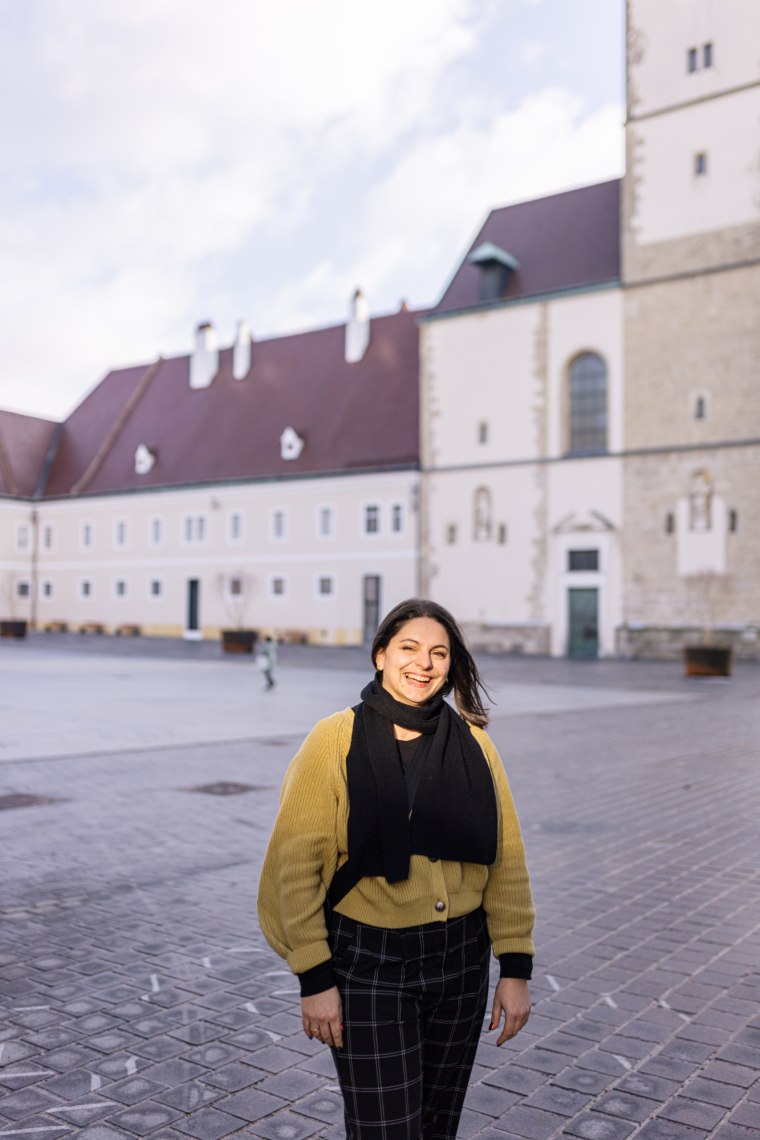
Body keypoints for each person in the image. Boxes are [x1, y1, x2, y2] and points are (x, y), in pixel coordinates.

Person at [257, 598, 534, 1140]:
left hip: (460, 962)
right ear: (381, 655)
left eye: (438, 653)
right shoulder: (333, 740)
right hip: (369, 963)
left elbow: (507, 861)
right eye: (409, 648)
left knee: (436, 1126)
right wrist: (314, 976)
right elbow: (295, 868)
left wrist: (516, 968)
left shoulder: (475, 745)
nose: (423, 664)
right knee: (385, 1129)